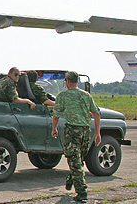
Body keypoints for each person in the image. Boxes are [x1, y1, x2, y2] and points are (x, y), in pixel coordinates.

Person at [51, 71, 101, 202]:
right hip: (85, 132)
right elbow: (96, 114)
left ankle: (82, 191)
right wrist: (97, 133)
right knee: (78, 160)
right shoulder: (86, 95)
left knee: (75, 161)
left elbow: (56, 115)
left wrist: (54, 129)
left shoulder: (63, 96)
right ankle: (72, 179)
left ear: (67, 81)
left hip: (72, 131)